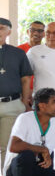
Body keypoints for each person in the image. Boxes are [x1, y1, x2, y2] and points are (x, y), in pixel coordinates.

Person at [0, 18, 33, 166]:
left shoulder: (18, 53)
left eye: (1, 28)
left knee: (7, 146)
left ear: (9, 31)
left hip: (11, 105)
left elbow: (26, 80)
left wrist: (25, 103)